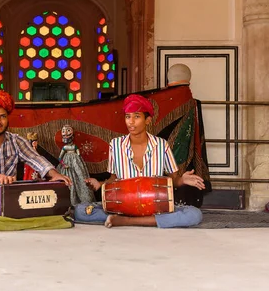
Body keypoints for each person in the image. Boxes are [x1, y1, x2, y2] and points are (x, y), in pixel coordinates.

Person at [75, 94, 205, 228]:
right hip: (124, 205)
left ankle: (126, 221)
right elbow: (113, 180)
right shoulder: (115, 145)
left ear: (147, 120)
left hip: (154, 206)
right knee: (80, 210)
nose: (131, 122)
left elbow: (174, 181)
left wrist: (182, 180)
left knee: (194, 214)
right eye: (127, 117)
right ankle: (147, 220)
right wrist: (99, 184)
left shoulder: (161, 145)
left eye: (136, 116)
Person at [0, 90, 72, 209]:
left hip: (10, 194)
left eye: (2, 116)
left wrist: (54, 174)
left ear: (7, 119)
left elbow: (36, 159)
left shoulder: (16, 141)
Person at [58, 125, 94, 206]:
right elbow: (60, 158)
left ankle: (85, 200)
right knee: (69, 181)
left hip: (77, 163)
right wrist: (64, 165)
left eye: (68, 134)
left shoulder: (74, 146)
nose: (66, 136)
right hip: (67, 166)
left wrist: (78, 161)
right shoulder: (65, 147)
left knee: (81, 178)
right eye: (64, 134)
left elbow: (78, 155)